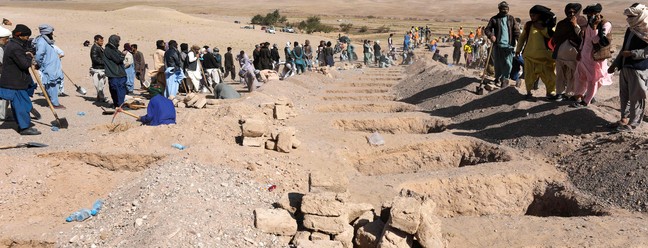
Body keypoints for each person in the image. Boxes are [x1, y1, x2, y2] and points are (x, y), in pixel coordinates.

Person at [608, 3, 648, 132]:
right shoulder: (630, 29)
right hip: (625, 66)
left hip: (639, 68)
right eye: (628, 16)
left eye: (632, 16)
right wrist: (615, 64)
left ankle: (634, 123)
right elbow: (624, 48)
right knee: (624, 95)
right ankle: (624, 118)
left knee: (637, 96)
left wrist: (633, 53)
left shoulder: (646, 29)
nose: (629, 18)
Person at [0, 24, 40, 135]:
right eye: (26, 37)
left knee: (19, 105)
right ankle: (24, 128)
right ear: (20, 35)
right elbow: (24, 64)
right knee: (22, 105)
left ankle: (22, 125)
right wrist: (29, 56)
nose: (27, 39)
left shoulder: (13, 44)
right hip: (15, 82)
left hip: (14, 81)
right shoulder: (15, 47)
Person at [572, 4, 612, 107]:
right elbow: (585, 40)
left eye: (593, 14)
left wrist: (594, 28)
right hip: (584, 56)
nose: (591, 16)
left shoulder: (605, 24)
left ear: (598, 14)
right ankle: (579, 96)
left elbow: (597, 41)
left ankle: (586, 101)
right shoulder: (589, 24)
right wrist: (580, 51)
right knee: (579, 76)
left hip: (595, 58)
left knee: (593, 80)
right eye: (589, 14)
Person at [515, 5, 557, 100]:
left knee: (549, 75)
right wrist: (518, 49)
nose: (532, 17)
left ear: (540, 15)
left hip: (546, 57)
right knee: (529, 75)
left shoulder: (549, 25)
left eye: (534, 15)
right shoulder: (529, 25)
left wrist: (542, 27)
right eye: (531, 15)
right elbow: (522, 38)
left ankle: (551, 93)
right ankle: (529, 92)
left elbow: (552, 36)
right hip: (530, 56)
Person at [484, 1, 521, 87]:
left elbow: (516, 31)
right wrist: (491, 36)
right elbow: (487, 29)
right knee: (498, 63)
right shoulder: (494, 19)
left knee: (508, 64)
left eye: (506, 8)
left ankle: (505, 79)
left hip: (509, 46)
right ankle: (498, 78)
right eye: (503, 8)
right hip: (498, 45)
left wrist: (520, 41)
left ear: (508, 9)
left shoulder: (511, 19)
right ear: (499, 9)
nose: (505, 10)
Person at [552, 3, 584, 101]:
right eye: (569, 12)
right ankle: (559, 93)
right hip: (560, 54)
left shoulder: (582, 23)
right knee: (560, 74)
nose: (571, 13)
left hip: (574, 55)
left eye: (574, 12)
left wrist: (575, 26)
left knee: (574, 75)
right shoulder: (561, 24)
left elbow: (583, 38)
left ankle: (571, 94)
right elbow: (555, 39)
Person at [34, 24, 64, 109]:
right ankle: (54, 103)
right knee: (52, 85)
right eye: (51, 33)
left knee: (55, 84)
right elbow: (39, 55)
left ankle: (54, 101)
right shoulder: (42, 42)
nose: (52, 34)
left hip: (53, 67)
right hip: (49, 67)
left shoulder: (46, 41)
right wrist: (39, 64)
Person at [102, 35, 127, 108]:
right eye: (118, 41)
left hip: (115, 74)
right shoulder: (110, 50)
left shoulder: (112, 49)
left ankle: (117, 104)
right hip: (116, 74)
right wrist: (123, 55)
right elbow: (118, 60)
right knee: (119, 90)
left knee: (115, 90)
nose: (119, 43)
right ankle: (120, 105)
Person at [90, 34, 108, 102]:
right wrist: (105, 62)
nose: (102, 42)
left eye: (102, 41)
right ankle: (101, 98)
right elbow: (95, 59)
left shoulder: (100, 48)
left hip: (101, 68)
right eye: (100, 41)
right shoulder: (95, 48)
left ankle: (99, 97)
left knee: (101, 84)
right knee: (99, 84)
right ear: (96, 40)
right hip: (98, 69)